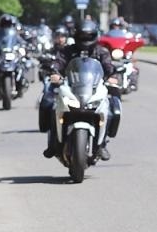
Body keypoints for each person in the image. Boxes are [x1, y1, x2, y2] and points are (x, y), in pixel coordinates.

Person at [45, 19, 121, 160]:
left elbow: (109, 67)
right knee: (50, 106)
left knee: (113, 110)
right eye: (82, 36)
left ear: (95, 35)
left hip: (93, 89)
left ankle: (102, 144)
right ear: (76, 35)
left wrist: (113, 76)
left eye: (88, 36)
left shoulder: (101, 52)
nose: (85, 39)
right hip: (72, 88)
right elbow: (58, 63)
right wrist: (54, 73)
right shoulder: (67, 51)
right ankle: (53, 144)